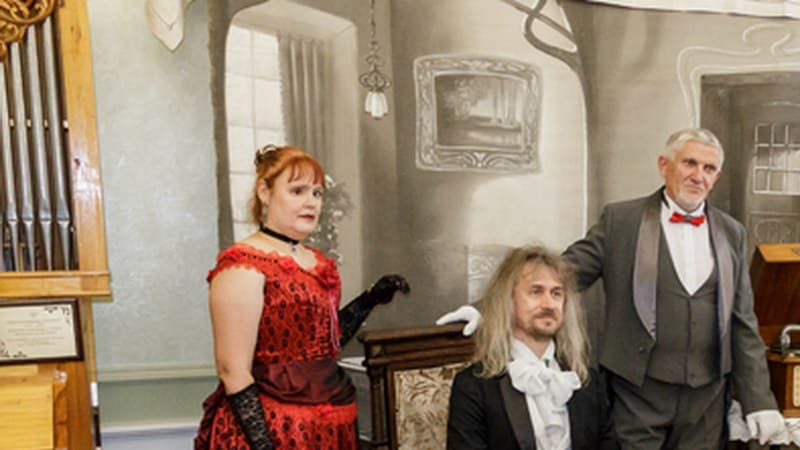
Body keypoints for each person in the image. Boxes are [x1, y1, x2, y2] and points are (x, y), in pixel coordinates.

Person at [439, 128, 786, 448]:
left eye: (709, 168)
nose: (699, 175)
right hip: (638, 396)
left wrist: (759, 400)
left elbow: (743, 321)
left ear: (717, 177)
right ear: (664, 165)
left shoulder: (732, 232)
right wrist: (486, 309)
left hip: (707, 401)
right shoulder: (622, 220)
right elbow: (563, 272)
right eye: (690, 163)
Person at [194, 145, 410, 450]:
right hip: (273, 429)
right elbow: (233, 371)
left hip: (328, 428)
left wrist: (370, 299)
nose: (311, 203)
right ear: (265, 192)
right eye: (297, 191)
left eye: (317, 193)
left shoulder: (315, 261)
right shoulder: (242, 266)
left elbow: (324, 343)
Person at [447, 245, 617, 450]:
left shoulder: (587, 382)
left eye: (556, 293)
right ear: (508, 300)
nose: (549, 304)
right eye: (536, 291)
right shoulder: (473, 387)